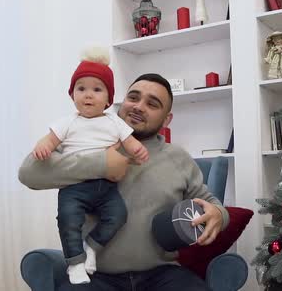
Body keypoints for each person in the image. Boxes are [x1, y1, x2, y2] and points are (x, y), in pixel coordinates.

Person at [19, 73, 229, 291]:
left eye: (152, 104)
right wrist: (102, 164)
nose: (138, 106)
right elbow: (28, 172)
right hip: (96, 275)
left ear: (167, 119)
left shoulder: (178, 158)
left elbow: (211, 204)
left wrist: (217, 214)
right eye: (133, 97)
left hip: (161, 274)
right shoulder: (84, 142)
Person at [30, 47, 149, 284]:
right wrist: (43, 145)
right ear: (72, 94)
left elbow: (129, 140)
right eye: (81, 89)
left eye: (97, 89)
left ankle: (92, 247)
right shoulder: (67, 122)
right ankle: (75, 263)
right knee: (67, 219)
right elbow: (50, 140)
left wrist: (137, 149)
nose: (88, 95)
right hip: (74, 186)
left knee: (118, 215)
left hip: (106, 186)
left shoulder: (114, 121)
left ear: (108, 99)